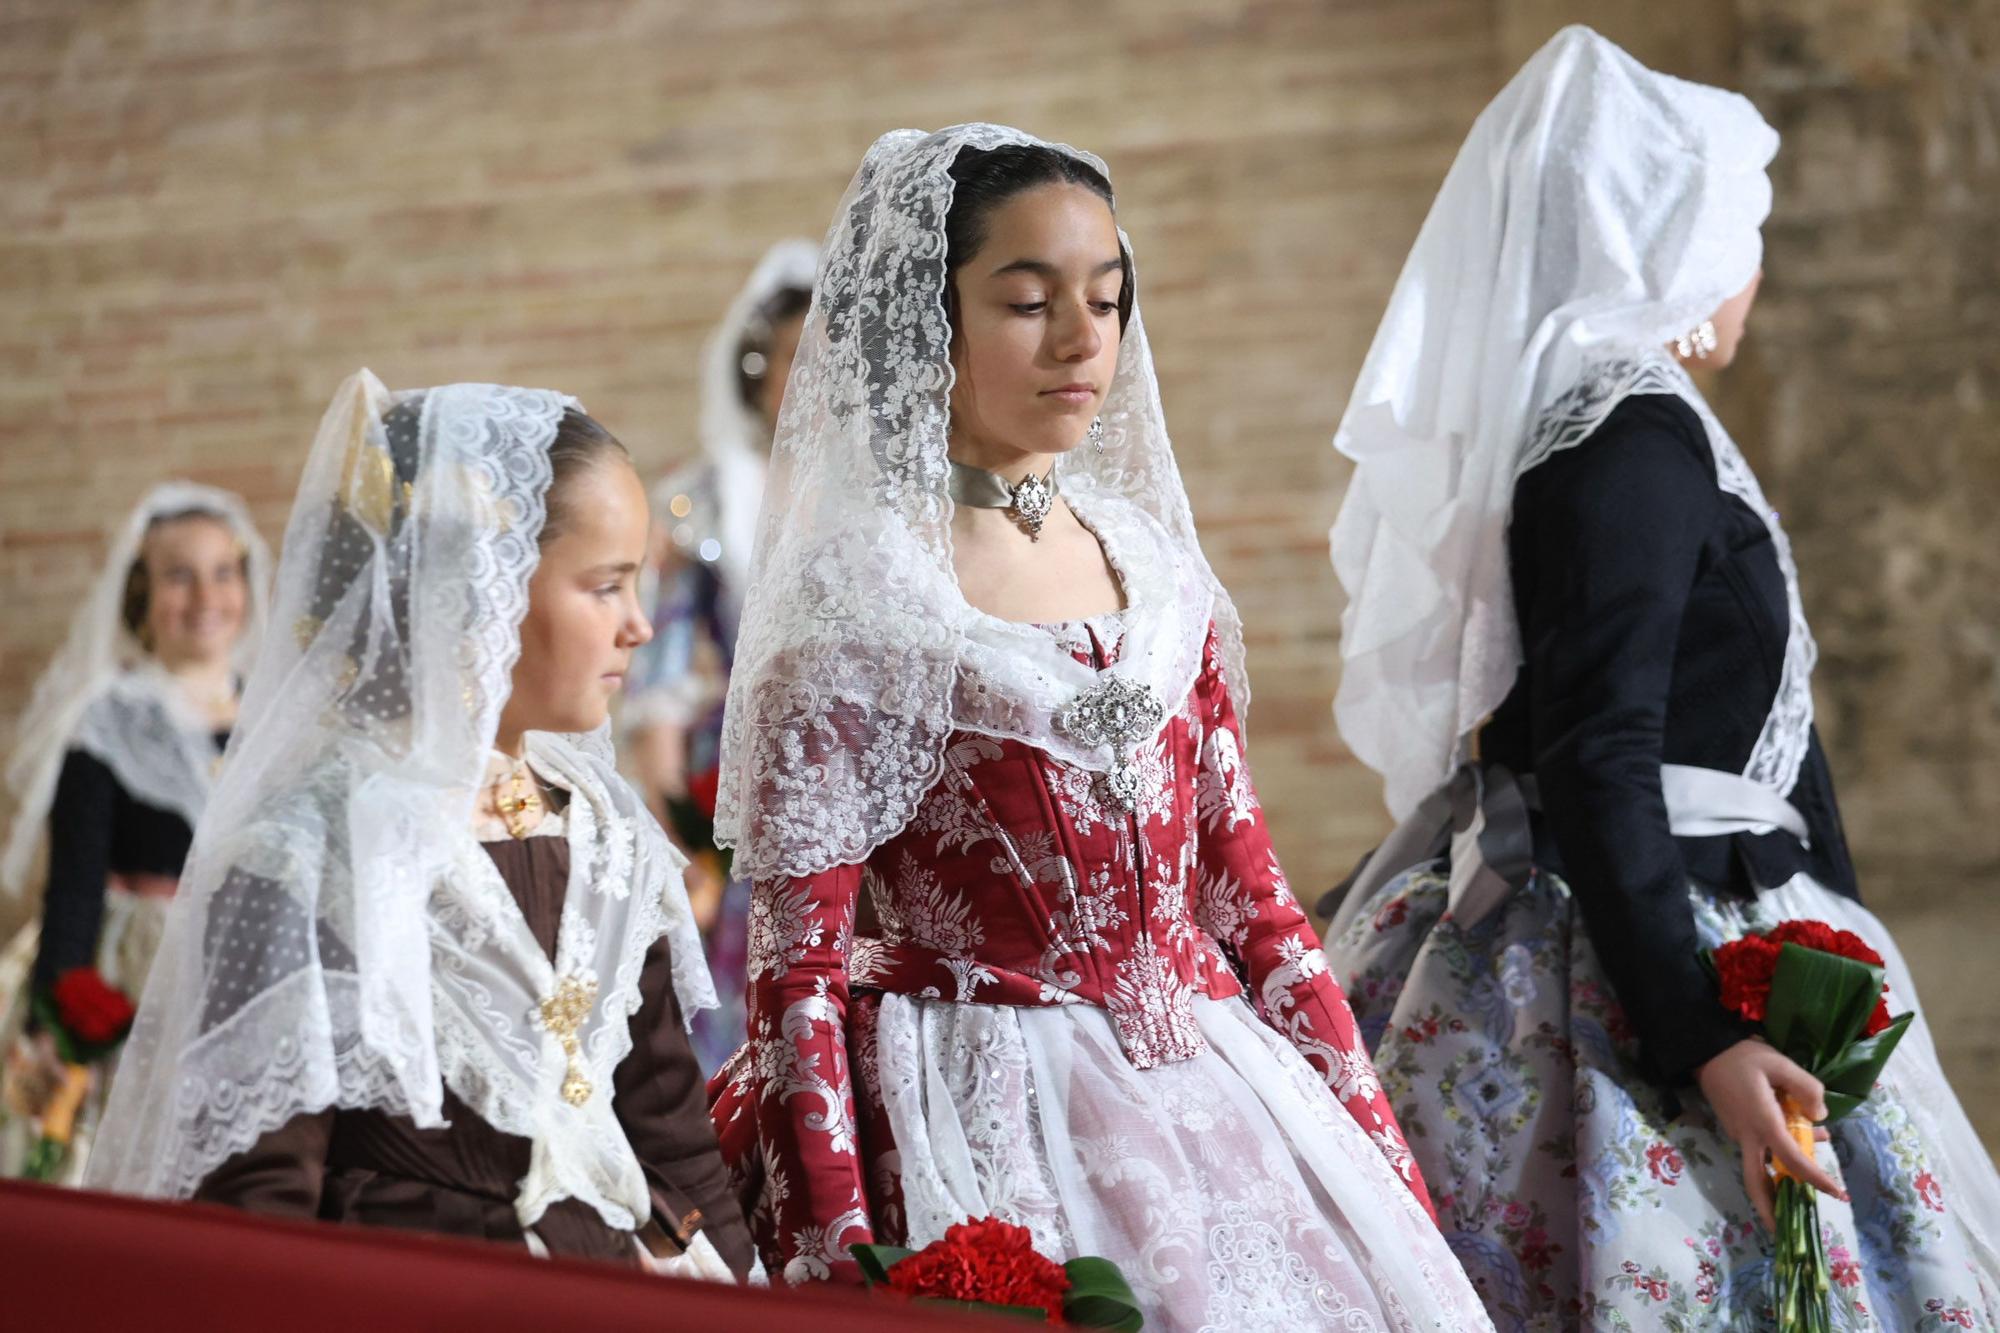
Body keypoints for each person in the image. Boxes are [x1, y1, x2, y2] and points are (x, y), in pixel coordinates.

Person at [706, 123, 1494, 1331]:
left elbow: (1253, 903)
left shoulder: (1155, 569)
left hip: (1220, 1095)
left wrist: (1378, 1161)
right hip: (980, 1110)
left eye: (1107, 298)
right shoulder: (859, 600)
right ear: (930, 319)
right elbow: (796, 974)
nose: (1083, 341)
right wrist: (837, 1265)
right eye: (1027, 302)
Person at [1323, 27, 2000, 1329]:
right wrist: (1705, 1037)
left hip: (1698, 903)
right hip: (1644, 948)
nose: (1754, 269)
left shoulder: (1631, 426)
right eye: (1744, 229)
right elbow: (1599, 747)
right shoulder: (1625, 439)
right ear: (1674, 237)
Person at [86, 372, 754, 1279]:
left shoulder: (610, 837)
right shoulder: (310, 854)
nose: (639, 624)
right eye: (606, 586)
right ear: (478, 594)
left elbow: (674, 1137)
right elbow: (259, 1199)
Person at [0, 481, 270, 1183]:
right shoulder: (110, 720)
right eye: (178, 575)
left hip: (251, 962)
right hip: (142, 971)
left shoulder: (271, 711)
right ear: (140, 595)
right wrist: (65, 1008)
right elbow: (76, 884)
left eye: (223, 572)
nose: (206, 596)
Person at [624, 238, 816, 1073]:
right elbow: (658, 682)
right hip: (738, 791)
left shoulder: (894, 497)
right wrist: (684, 841)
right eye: (795, 362)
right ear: (758, 374)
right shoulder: (705, 498)